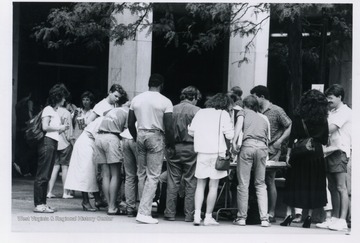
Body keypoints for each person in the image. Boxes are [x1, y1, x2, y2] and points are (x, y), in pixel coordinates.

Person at [128, 73, 175, 224]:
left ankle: (141, 208)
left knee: (141, 173)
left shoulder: (136, 99)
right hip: (156, 135)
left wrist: (137, 137)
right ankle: (144, 212)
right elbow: (168, 126)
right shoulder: (165, 101)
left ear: (149, 84)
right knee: (153, 175)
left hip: (140, 133)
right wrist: (170, 144)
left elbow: (130, 123)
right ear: (161, 85)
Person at [281, 89, 329, 228]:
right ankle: (308, 217)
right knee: (313, 184)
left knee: (294, 183)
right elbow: (325, 140)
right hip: (316, 154)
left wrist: (289, 154)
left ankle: (289, 215)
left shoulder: (298, 116)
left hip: (299, 153)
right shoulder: (323, 118)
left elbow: (292, 137)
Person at [188, 93, 234, 226]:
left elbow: (191, 131)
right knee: (213, 186)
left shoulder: (200, 112)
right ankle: (208, 217)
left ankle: (197, 215)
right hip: (217, 153)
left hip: (202, 152)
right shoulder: (223, 114)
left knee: (200, 185)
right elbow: (230, 135)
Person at [250, 85, 292, 222]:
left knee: (269, 179)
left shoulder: (277, 110)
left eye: (255, 96)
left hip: (272, 149)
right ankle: (258, 211)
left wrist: (279, 141)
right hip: (258, 148)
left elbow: (289, 125)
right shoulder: (255, 111)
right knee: (257, 180)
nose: (254, 99)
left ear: (262, 97)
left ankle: (271, 212)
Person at [164, 86, 201, 222]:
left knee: (173, 181)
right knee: (191, 181)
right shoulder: (198, 111)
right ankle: (189, 214)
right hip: (192, 147)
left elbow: (166, 129)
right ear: (194, 97)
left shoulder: (171, 109)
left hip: (174, 147)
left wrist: (169, 146)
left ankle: (170, 213)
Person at [232, 95, 271, 227]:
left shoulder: (243, 112)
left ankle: (241, 218)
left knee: (243, 183)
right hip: (262, 148)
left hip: (247, 146)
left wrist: (233, 144)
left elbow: (238, 129)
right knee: (260, 184)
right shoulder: (264, 117)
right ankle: (264, 219)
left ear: (245, 105)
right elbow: (268, 138)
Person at [33, 83, 70, 213]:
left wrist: (61, 129)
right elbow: (45, 127)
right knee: (43, 174)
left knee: (46, 174)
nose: (65, 100)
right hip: (47, 142)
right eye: (63, 97)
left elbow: (51, 129)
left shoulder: (54, 111)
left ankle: (42, 203)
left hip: (52, 142)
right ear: (58, 97)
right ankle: (39, 204)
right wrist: (60, 128)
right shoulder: (48, 109)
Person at [320, 84, 351, 231]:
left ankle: (343, 220)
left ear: (339, 97)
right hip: (328, 151)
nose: (328, 100)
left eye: (330, 97)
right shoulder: (332, 111)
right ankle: (334, 218)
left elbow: (330, 129)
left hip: (339, 151)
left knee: (340, 187)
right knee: (332, 187)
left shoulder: (345, 112)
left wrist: (316, 130)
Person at [94, 91, 129, 215]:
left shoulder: (111, 111)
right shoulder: (127, 112)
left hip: (99, 138)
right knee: (115, 175)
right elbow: (126, 131)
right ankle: (112, 207)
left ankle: (110, 205)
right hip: (111, 138)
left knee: (105, 174)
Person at [47, 101, 75, 199]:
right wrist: (72, 143)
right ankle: (65, 192)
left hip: (55, 142)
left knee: (54, 168)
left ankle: (49, 192)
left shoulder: (52, 111)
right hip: (65, 144)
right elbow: (69, 132)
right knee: (65, 168)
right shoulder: (66, 113)